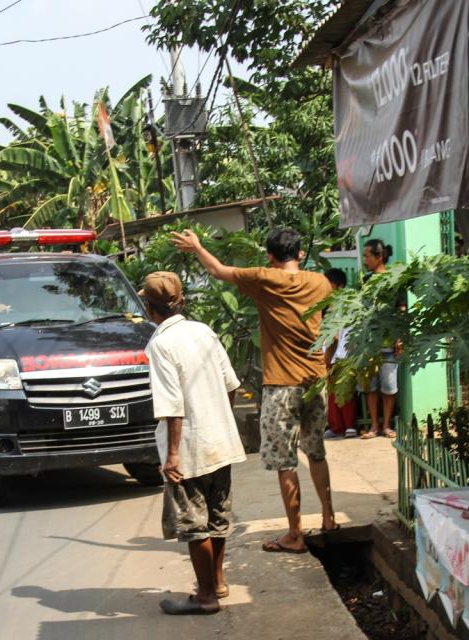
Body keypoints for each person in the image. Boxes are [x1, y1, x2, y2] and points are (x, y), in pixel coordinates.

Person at [171, 227, 338, 554]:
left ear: (271, 256)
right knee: (315, 451)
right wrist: (327, 364)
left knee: (285, 460)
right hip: (316, 381)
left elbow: (217, 270)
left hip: (281, 386)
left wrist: (197, 246)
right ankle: (330, 518)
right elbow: (331, 329)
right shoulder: (320, 283)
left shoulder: (265, 279)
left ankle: (295, 533)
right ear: (300, 254)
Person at [139, 271, 247, 615]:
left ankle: (205, 597)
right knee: (217, 517)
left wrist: (172, 455)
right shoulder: (203, 331)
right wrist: (220, 420)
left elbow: (172, 404)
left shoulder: (160, 344)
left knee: (194, 522)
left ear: (149, 307)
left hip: (189, 448)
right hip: (221, 441)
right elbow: (230, 383)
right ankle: (217, 582)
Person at [360, 239, 404, 439]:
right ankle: (374, 426)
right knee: (371, 387)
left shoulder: (395, 280)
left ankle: (386, 425)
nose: (364, 260)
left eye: (367, 255)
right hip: (370, 341)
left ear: (379, 257)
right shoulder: (366, 281)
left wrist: (400, 336)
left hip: (388, 340)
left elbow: (402, 309)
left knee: (388, 385)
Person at [323, 268, 358, 439]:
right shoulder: (326, 305)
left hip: (344, 352)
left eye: (328, 283)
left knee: (345, 389)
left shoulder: (348, 305)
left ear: (339, 286)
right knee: (332, 390)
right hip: (331, 352)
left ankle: (349, 424)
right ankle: (336, 426)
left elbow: (337, 333)